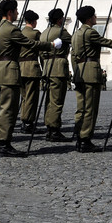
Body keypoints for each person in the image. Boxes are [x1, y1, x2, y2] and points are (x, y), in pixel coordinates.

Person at [0, 0, 59, 157]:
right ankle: (4, 143)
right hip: (8, 71)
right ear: (10, 12)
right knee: (8, 109)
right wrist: (52, 45)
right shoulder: (11, 30)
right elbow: (31, 44)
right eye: (16, 11)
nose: (18, 14)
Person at [72, 5, 112, 153]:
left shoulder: (76, 34)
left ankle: (79, 136)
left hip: (79, 72)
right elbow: (109, 43)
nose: (96, 17)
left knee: (81, 108)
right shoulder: (90, 32)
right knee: (90, 109)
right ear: (89, 18)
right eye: (94, 16)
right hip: (90, 73)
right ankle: (85, 140)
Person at [39, 8, 71, 142]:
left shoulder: (44, 33)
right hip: (58, 67)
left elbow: (40, 52)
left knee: (49, 101)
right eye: (62, 18)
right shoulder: (61, 31)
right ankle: (54, 129)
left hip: (47, 67)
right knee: (57, 101)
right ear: (59, 19)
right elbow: (74, 40)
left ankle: (49, 126)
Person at [19, 10, 43, 134]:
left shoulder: (20, 32)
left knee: (24, 97)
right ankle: (28, 122)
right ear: (33, 21)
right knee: (31, 97)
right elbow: (42, 50)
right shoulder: (35, 34)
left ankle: (24, 120)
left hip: (20, 67)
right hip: (31, 67)